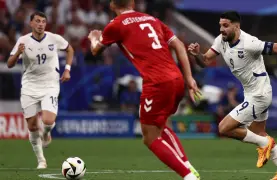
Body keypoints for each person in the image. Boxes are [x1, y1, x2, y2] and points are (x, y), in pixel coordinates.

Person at [188, 11, 277, 180]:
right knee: (258, 133)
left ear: (236, 26)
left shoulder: (250, 43)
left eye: (225, 26)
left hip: (260, 94)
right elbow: (204, 62)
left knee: (224, 128)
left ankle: (265, 145)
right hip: (252, 93)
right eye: (220, 25)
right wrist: (197, 55)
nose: (222, 29)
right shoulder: (220, 41)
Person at [88, 1, 201, 180]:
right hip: (177, 78)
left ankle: (189, 177)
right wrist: (189, 77)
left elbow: (96, 50)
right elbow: (179, 45)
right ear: (132, 2)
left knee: (149, 137)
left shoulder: (115, 25)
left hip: (157, 82)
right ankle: (188, 166)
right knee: (161, 125)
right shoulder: (152, 19)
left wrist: (94, 36)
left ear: (111, 5)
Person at [7, 11, 74, 169]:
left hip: (50, 84)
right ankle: (41, 160)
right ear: (31, 23)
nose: (41, 24)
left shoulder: (54, 38)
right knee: (32, 127)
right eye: (37, 21)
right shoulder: (23, 41)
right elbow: (9, 64)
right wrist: (18, 52)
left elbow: (70, 49)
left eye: (43, 21)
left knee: (48, 121)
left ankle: (46, 133)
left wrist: (67, 69)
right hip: (30, 86)